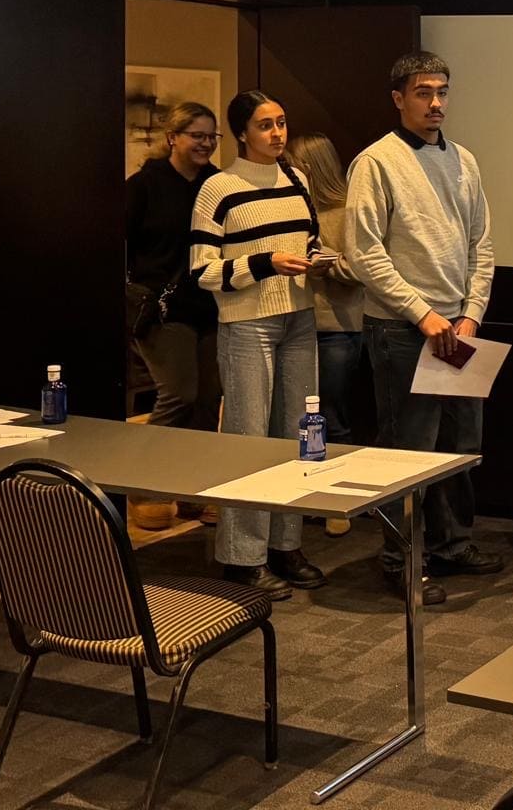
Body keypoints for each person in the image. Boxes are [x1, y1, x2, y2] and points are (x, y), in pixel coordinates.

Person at [348, 51, 500, 606]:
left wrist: (470, 312)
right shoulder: (376, 162)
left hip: (458, 326)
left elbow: (481, 243)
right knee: (407, 451)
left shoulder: (464, 160)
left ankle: (451, 545)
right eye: (422, 92)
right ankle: (401, 561)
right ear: (398, 98)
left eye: (442, 91)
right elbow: (364, 252)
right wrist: (423, 313)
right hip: (402, 329)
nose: (435, 103)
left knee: (459, 445)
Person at [190, 91, 328, 599]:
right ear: (242, 133)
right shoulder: (218, 188)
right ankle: (241, 557)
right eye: (265, 125)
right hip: (247, 322)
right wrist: (265, 263)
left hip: (299, 315)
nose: (277, 133)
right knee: (248, 437)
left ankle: (285, 544)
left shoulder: (297, 179)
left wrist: (317, 258)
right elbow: (202, 271)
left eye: (282, 122)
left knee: (299, 434)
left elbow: (307, 239)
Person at [125, 101, 222, 529]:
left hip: (208, 305)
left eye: (211, 136)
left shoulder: (217, 183)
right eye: (196, 135)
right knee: (179, 394)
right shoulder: (143, 185)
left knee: (207, 401)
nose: (205, 144)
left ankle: (192, 490)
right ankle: (142, 486)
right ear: (172, 138)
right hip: (160, 310)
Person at [288, 132, 366, 537]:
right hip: (297, 324)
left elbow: (363, 268)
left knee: (333, 416)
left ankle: (340, 501)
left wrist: (324, 264)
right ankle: (304, 497)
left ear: (310, 166)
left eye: (293, 162)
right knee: (298, 416)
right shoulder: (293, 210)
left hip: (338, 327)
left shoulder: (346, 211)